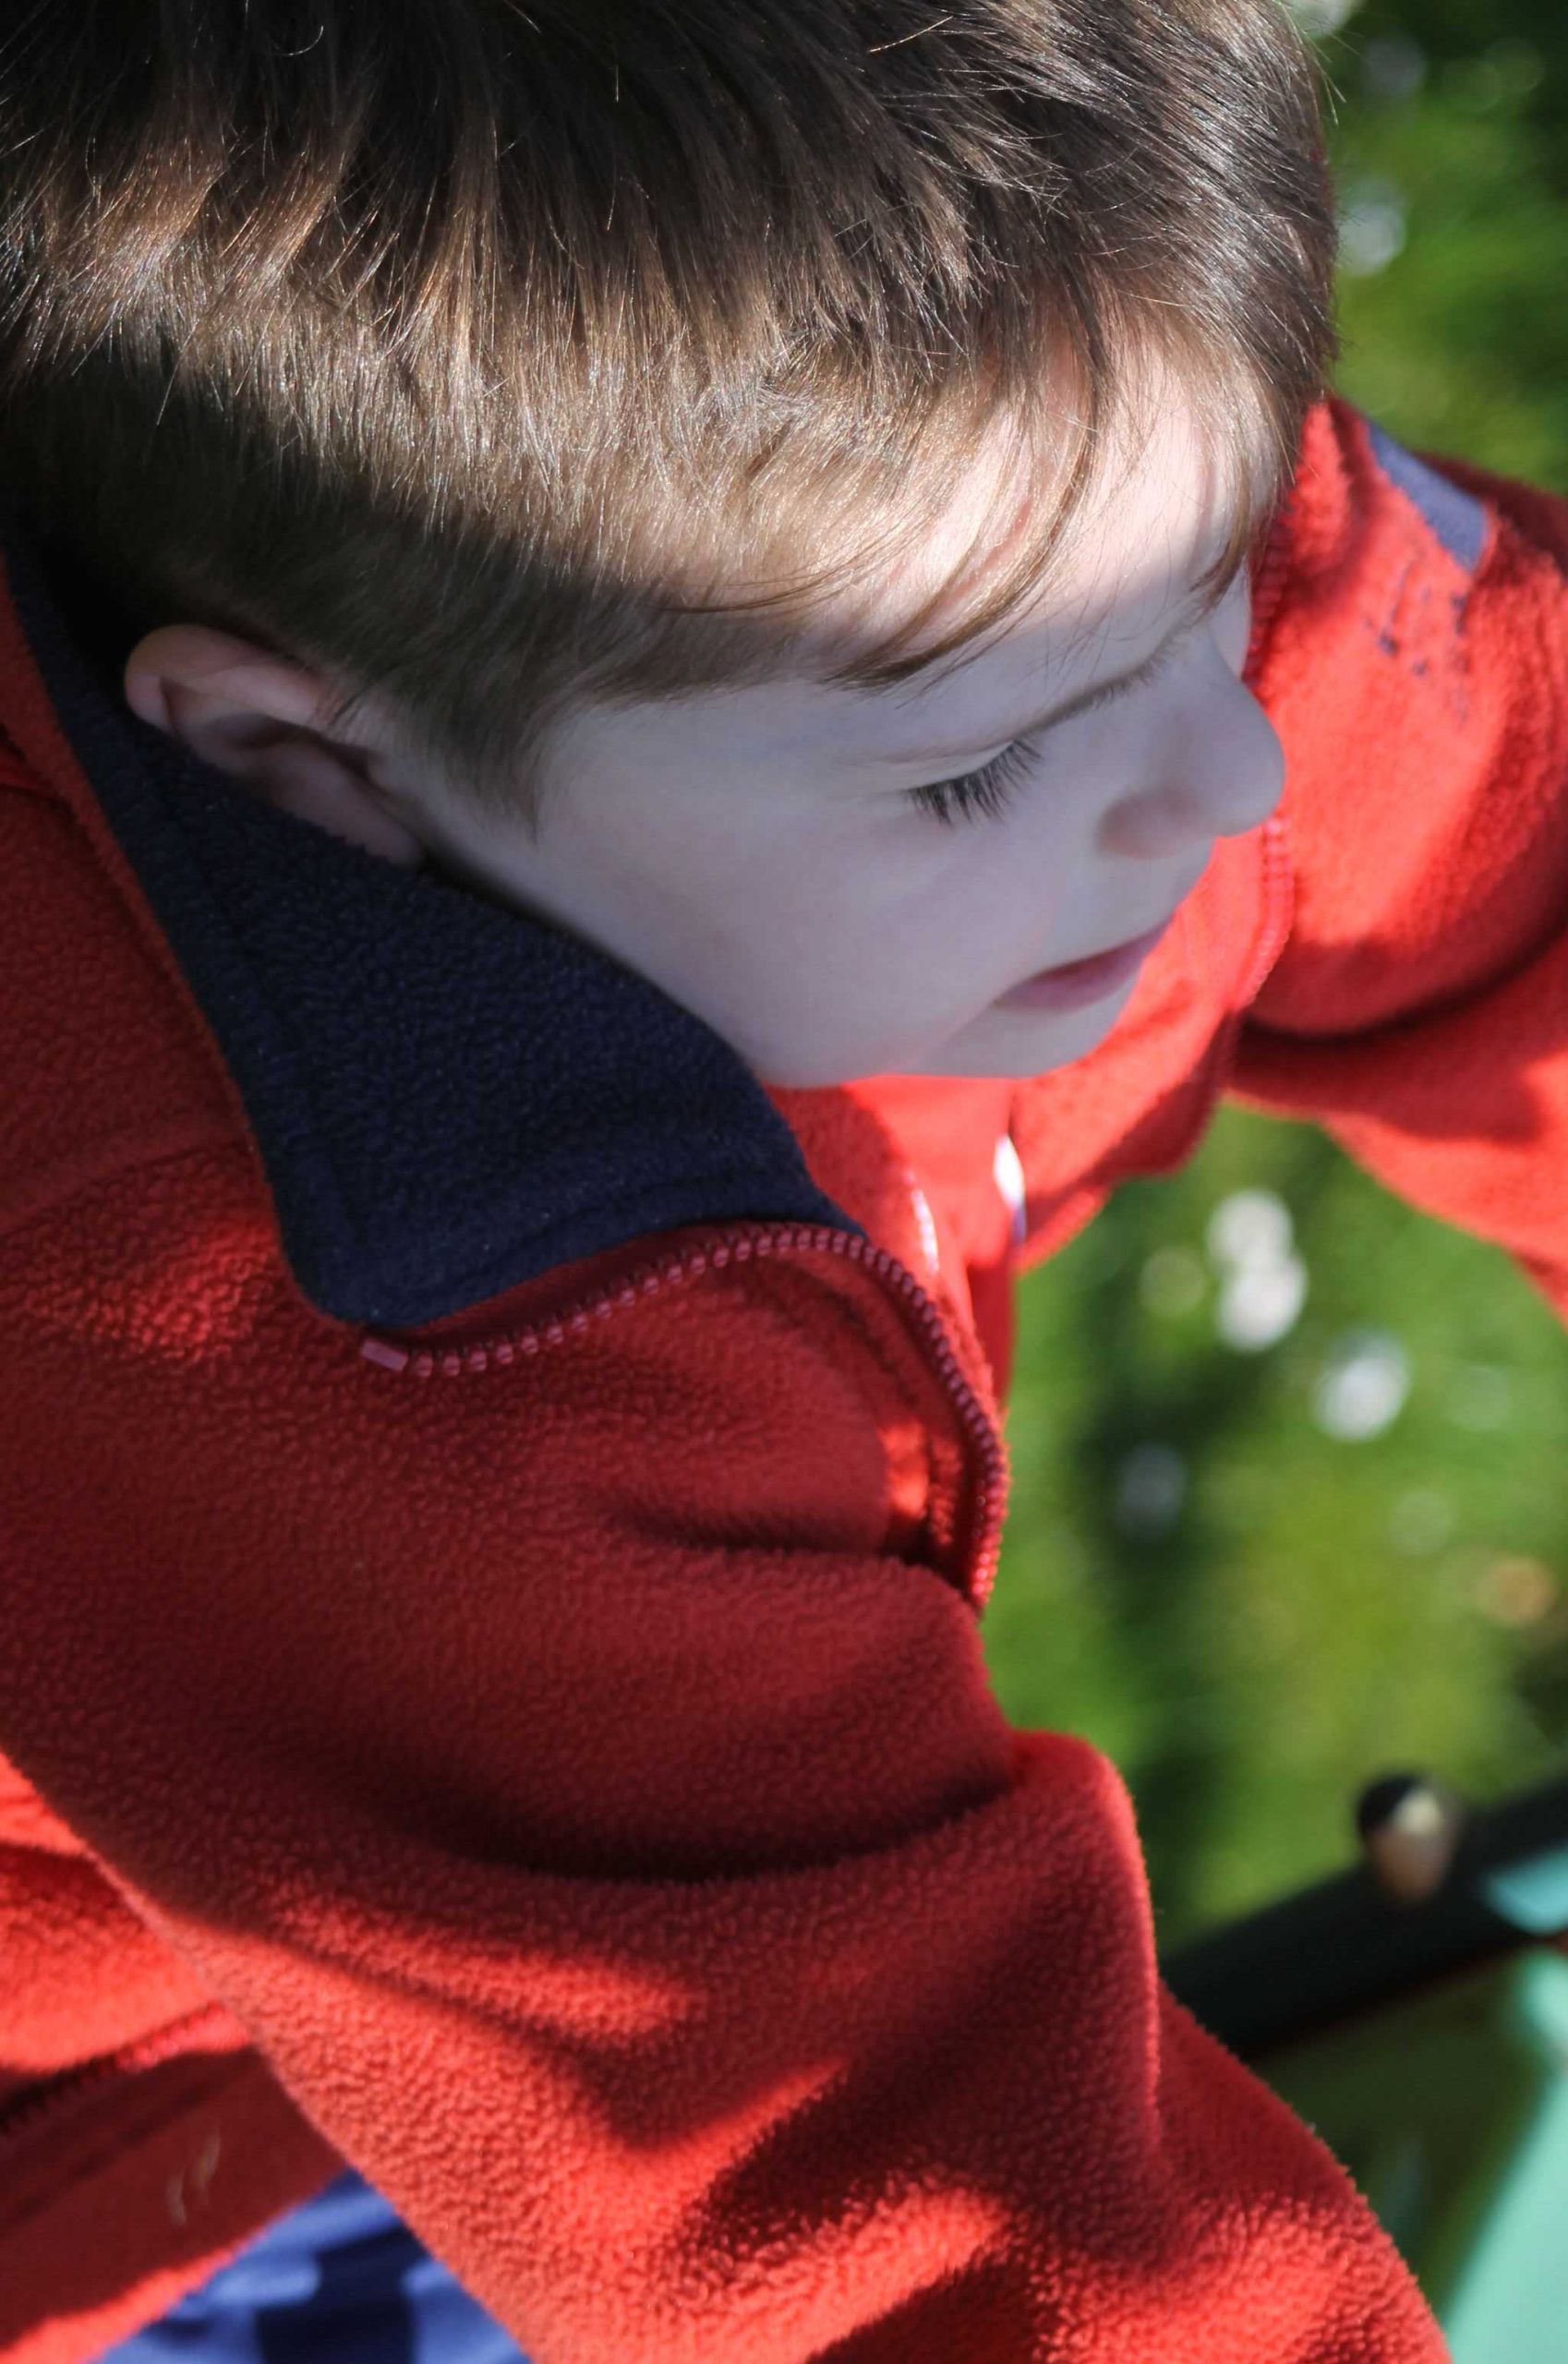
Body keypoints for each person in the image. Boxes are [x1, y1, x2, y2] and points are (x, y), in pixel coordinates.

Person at [4, 1, 1565, 2357]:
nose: (1234, 766)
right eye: (975, 774)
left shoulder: (1020, 517)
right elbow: (902, 2164)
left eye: (1228, 568)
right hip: (141, 2145)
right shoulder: (341, 1330)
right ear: (315, 772)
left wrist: (1101, 667)